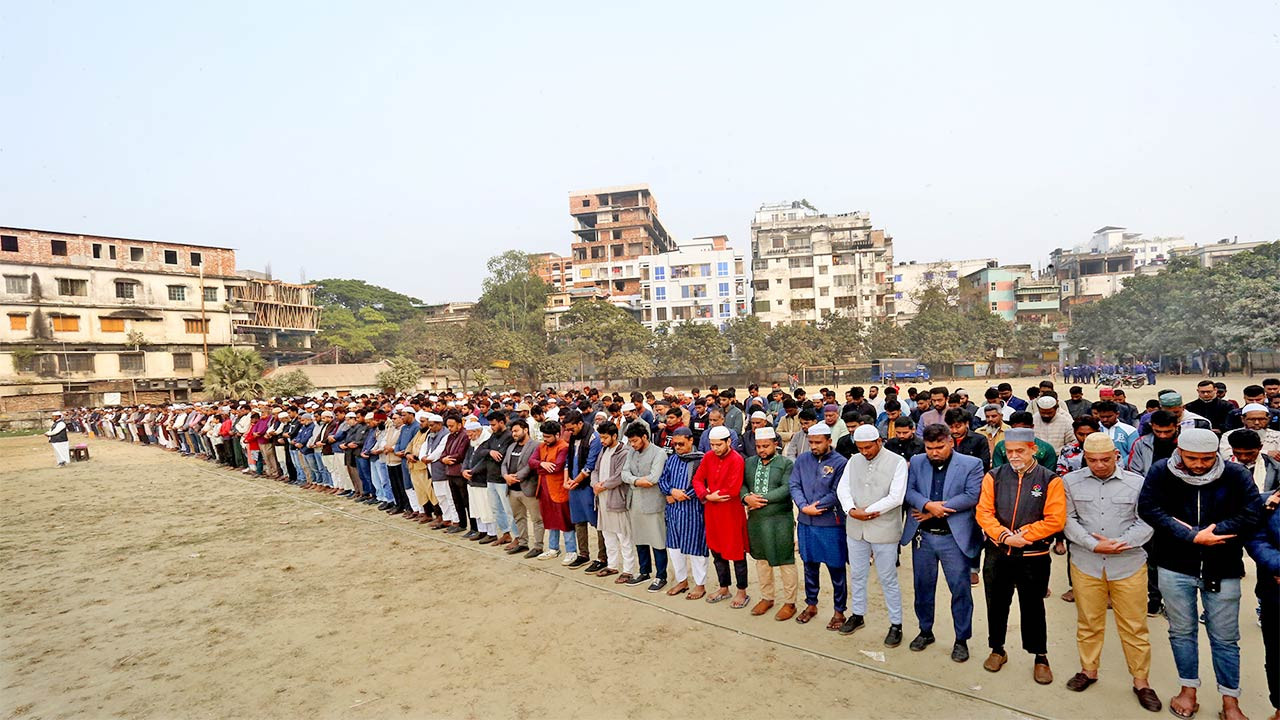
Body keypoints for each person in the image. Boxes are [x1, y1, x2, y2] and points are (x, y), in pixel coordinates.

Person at [1138, 428, 1263, 720]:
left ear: (1216, 454)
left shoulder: (1235, 474)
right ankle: (1188, 690)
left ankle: (1231, 701)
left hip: (1224, 567)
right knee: (1182, 633)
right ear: (1179, 451)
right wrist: (1189, 535)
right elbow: (1148, 508)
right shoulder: (1161, 471)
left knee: (1225, 639)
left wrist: (1214, 532)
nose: (1199, 465)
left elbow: (1252, 512)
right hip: (1174, 565)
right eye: (1192, 458)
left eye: (1206, 459)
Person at [1061, 433, 1162, 712]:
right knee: (1088, 621)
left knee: (1134, 625)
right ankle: (1088, 671)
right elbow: (1067, 519)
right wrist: (1093, 544)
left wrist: (1122, 543)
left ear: (1116, 456)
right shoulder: (1070, 482)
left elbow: (1147, 520)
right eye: (1092, 460)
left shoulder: (1137, 483)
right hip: (1086, 563)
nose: (1099, 465)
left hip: (1128, 563)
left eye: (1105, 459)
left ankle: (1141, 682)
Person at [975, 427, 1066, 685]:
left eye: (1020, 451)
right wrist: (1004, 536)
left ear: (1033, 449)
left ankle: (1040, 656)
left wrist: (1026, 534)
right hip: (998, 553)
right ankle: (997, 649)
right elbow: (984, 513)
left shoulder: (1050, 480)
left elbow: (1055, 519)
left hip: (1033, 556)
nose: (1014, 456)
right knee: (996, 603)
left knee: (1033, 606)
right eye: (1010, 451)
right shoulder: (994, 476)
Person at [901, 423, 985, 662]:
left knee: (960, 590)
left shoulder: (971, 464)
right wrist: (928, 505)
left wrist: (938, 510)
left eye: (939, 447)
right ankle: (925, 631)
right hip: (923, 537)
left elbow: (971, 495)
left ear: (951, 442)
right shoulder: (917, 462)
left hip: (954, 538)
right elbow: (908, 491)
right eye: (929, 448)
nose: (934, 452)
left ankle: (961, 639)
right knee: (923, 588)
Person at [836, 425, 908, 645]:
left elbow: (896, 497)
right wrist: (850, 510)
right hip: (856, 528)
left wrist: (867, 512)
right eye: (860, 448)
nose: (865, 452)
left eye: (868, 447)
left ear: (879, 441)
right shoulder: (853, 460)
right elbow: (842, 489)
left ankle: (896, 624)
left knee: (888, 578)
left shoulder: (897, 462)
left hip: (884, 528)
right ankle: (858, 614)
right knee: (857, 573)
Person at [790, 423, 849, 630]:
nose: (813, 446)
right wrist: (804, 507)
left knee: (836, 568)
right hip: (806, 523)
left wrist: (818, 506)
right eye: (811, 442)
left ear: (829, 441)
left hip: (830, 524)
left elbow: (837, 492)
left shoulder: (841, 463)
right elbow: (794, 484)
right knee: (810, 566)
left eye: (818, 442)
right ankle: (811, 605)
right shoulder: (803, 459)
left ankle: (839, 611)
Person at [741, 426, 798, 620]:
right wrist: (746, 498)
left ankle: (790, 603)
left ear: (776, 444)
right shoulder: (749, 463)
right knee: (761, 560)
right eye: (758, 446)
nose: (762, 450)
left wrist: (760, 499)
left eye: (766, 446)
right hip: (756, 520)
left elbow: (786, 488)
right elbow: (742, 485)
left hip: (780, 519)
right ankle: (767, 597)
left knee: (785, 560)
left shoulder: (786, 464)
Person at [692, 425, 750, 608]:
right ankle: (724, 588)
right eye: (712, 445)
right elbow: (697, 479)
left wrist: (712, 494)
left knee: (737, 553)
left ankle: (742, 592)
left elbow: (733, 489)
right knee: (717, 551)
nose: (715, 448)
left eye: (718, 445)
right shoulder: (708, 457)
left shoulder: (737, 460)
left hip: (731, 513)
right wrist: (707, 495)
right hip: (712, 511)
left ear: (728, 442)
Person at [658, 428, 710, 600]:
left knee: (696, 549)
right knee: (674, 548)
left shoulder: (701, 460)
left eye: (681, 444)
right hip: (673, 512)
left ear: (690, 441)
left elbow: (702, 483)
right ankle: (682, 581)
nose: (678, 447)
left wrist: (682, 496)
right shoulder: (672, 459)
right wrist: (671, 491)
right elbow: (662, 480)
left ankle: (700, 584)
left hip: (693, 511)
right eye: (675, 444)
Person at [1244, 488, 1280, 720]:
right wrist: (1277, 565)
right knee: (1277, 655)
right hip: (1275, 593)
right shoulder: (1268, 502)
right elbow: (1255, 537)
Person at [622, 423, 669, 592]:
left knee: (657, 539)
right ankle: (644, 572)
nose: (633, 444)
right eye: (630, 441)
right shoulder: (631, 453)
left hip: (653, 502)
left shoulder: (659, 453)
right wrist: (637, 481)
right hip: (634, 501)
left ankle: (661, 575)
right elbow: (624, 473)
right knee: (640, 538)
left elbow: (654, 477)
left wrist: (634, 480)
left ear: (644, 437)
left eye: (635, 441)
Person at [590, 421, 637, 582]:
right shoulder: (603, 450)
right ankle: (612, 565)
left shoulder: (624, 452)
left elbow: (619, 476)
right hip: (601, 499)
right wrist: (595, 484)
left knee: (624, 536)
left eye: (604, 437)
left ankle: (628, 569)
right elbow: (595, 470)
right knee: (607, 534)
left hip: (616, 499)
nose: (602, 441)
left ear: (614, 436)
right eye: (601, 437)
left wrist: (602, 486)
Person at [531, 420, 574, 560]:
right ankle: (553, 548)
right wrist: (542, 464)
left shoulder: (564, 447)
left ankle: (571, 551)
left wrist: (539, 468)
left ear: (557, 434)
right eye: (544, 436)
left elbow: (557, 467)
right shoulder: (542, 446)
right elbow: (531, 462)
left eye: (548, 437)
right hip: (544, 490)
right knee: (549, 520)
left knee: (565, 521)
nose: (545, 440)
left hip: (559, 490)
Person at [500, 418, 542, 557]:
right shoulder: (512, 446)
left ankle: (538, 546)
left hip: (528, 488)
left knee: (537, 519)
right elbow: (504, 464)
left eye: (516, 431)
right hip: (512, 489)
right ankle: (523, 543)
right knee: (519, 517)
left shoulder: (535, 445)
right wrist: (506, 476)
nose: (514, 434)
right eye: (512, 431)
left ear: (525, 430)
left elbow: (530, 466)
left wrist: (515, 477)